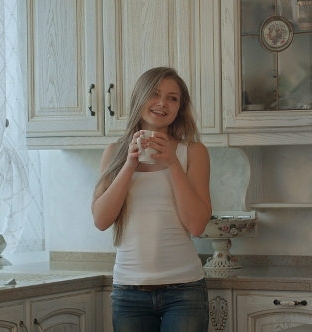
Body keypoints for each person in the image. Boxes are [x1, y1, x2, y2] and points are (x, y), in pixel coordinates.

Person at [91, 67, 212, 332]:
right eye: (155, 94)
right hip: (128, 293)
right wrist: (129, 165)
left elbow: (197, 225)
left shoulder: (193, 152)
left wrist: (172, 162)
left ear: (180, 108)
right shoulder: (113, 153)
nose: (162, 103)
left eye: (173, 98)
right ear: (140, 98)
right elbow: (101, 220)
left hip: (184, 291)